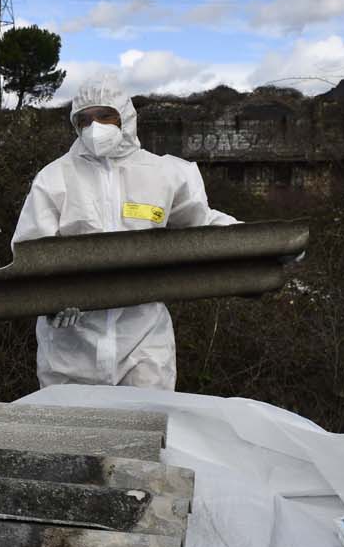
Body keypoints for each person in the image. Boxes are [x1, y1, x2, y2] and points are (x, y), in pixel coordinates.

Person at [12, 86, 237, 391]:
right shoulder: (55, 178)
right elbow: (30, 252)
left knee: (145, 418)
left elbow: (203, 224)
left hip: (143, 343)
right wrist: (52, 298)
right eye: (85, 120)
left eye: (105, 116)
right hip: (71, 348)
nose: (95, 128)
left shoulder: (163, 174)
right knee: (71, 421)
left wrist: (267, 245)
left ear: (126, 118)